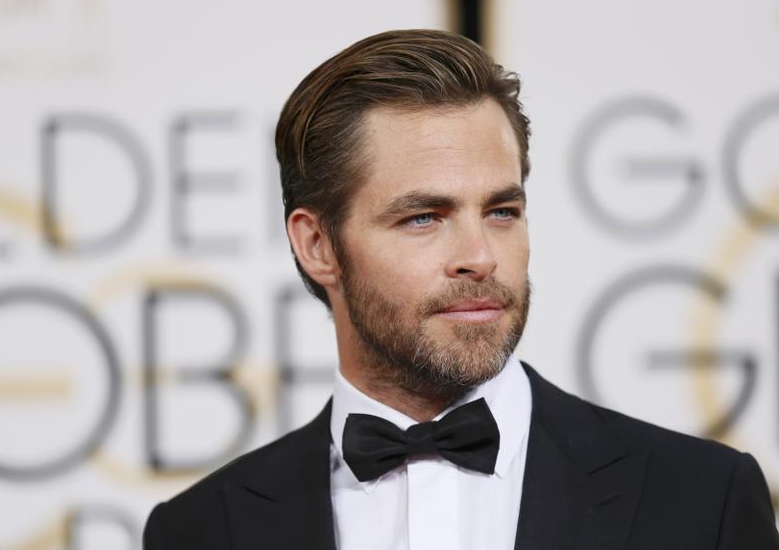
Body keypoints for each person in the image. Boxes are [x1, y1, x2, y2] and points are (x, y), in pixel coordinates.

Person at [143, 29, 779, 550]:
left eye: (502, 211)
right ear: (318, 246)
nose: (480, 257)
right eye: (424, 218)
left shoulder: (703, 501)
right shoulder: (202, 531)